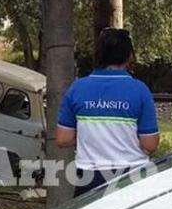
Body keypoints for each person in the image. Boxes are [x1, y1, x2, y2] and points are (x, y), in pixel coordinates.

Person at [57, 28, 160, 196]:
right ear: (129, 56)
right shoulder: (140, 90)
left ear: (98, 55)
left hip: (89, 178)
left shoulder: (77, 88)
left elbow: (63, 139)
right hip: (133, 176)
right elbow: (150, 144)